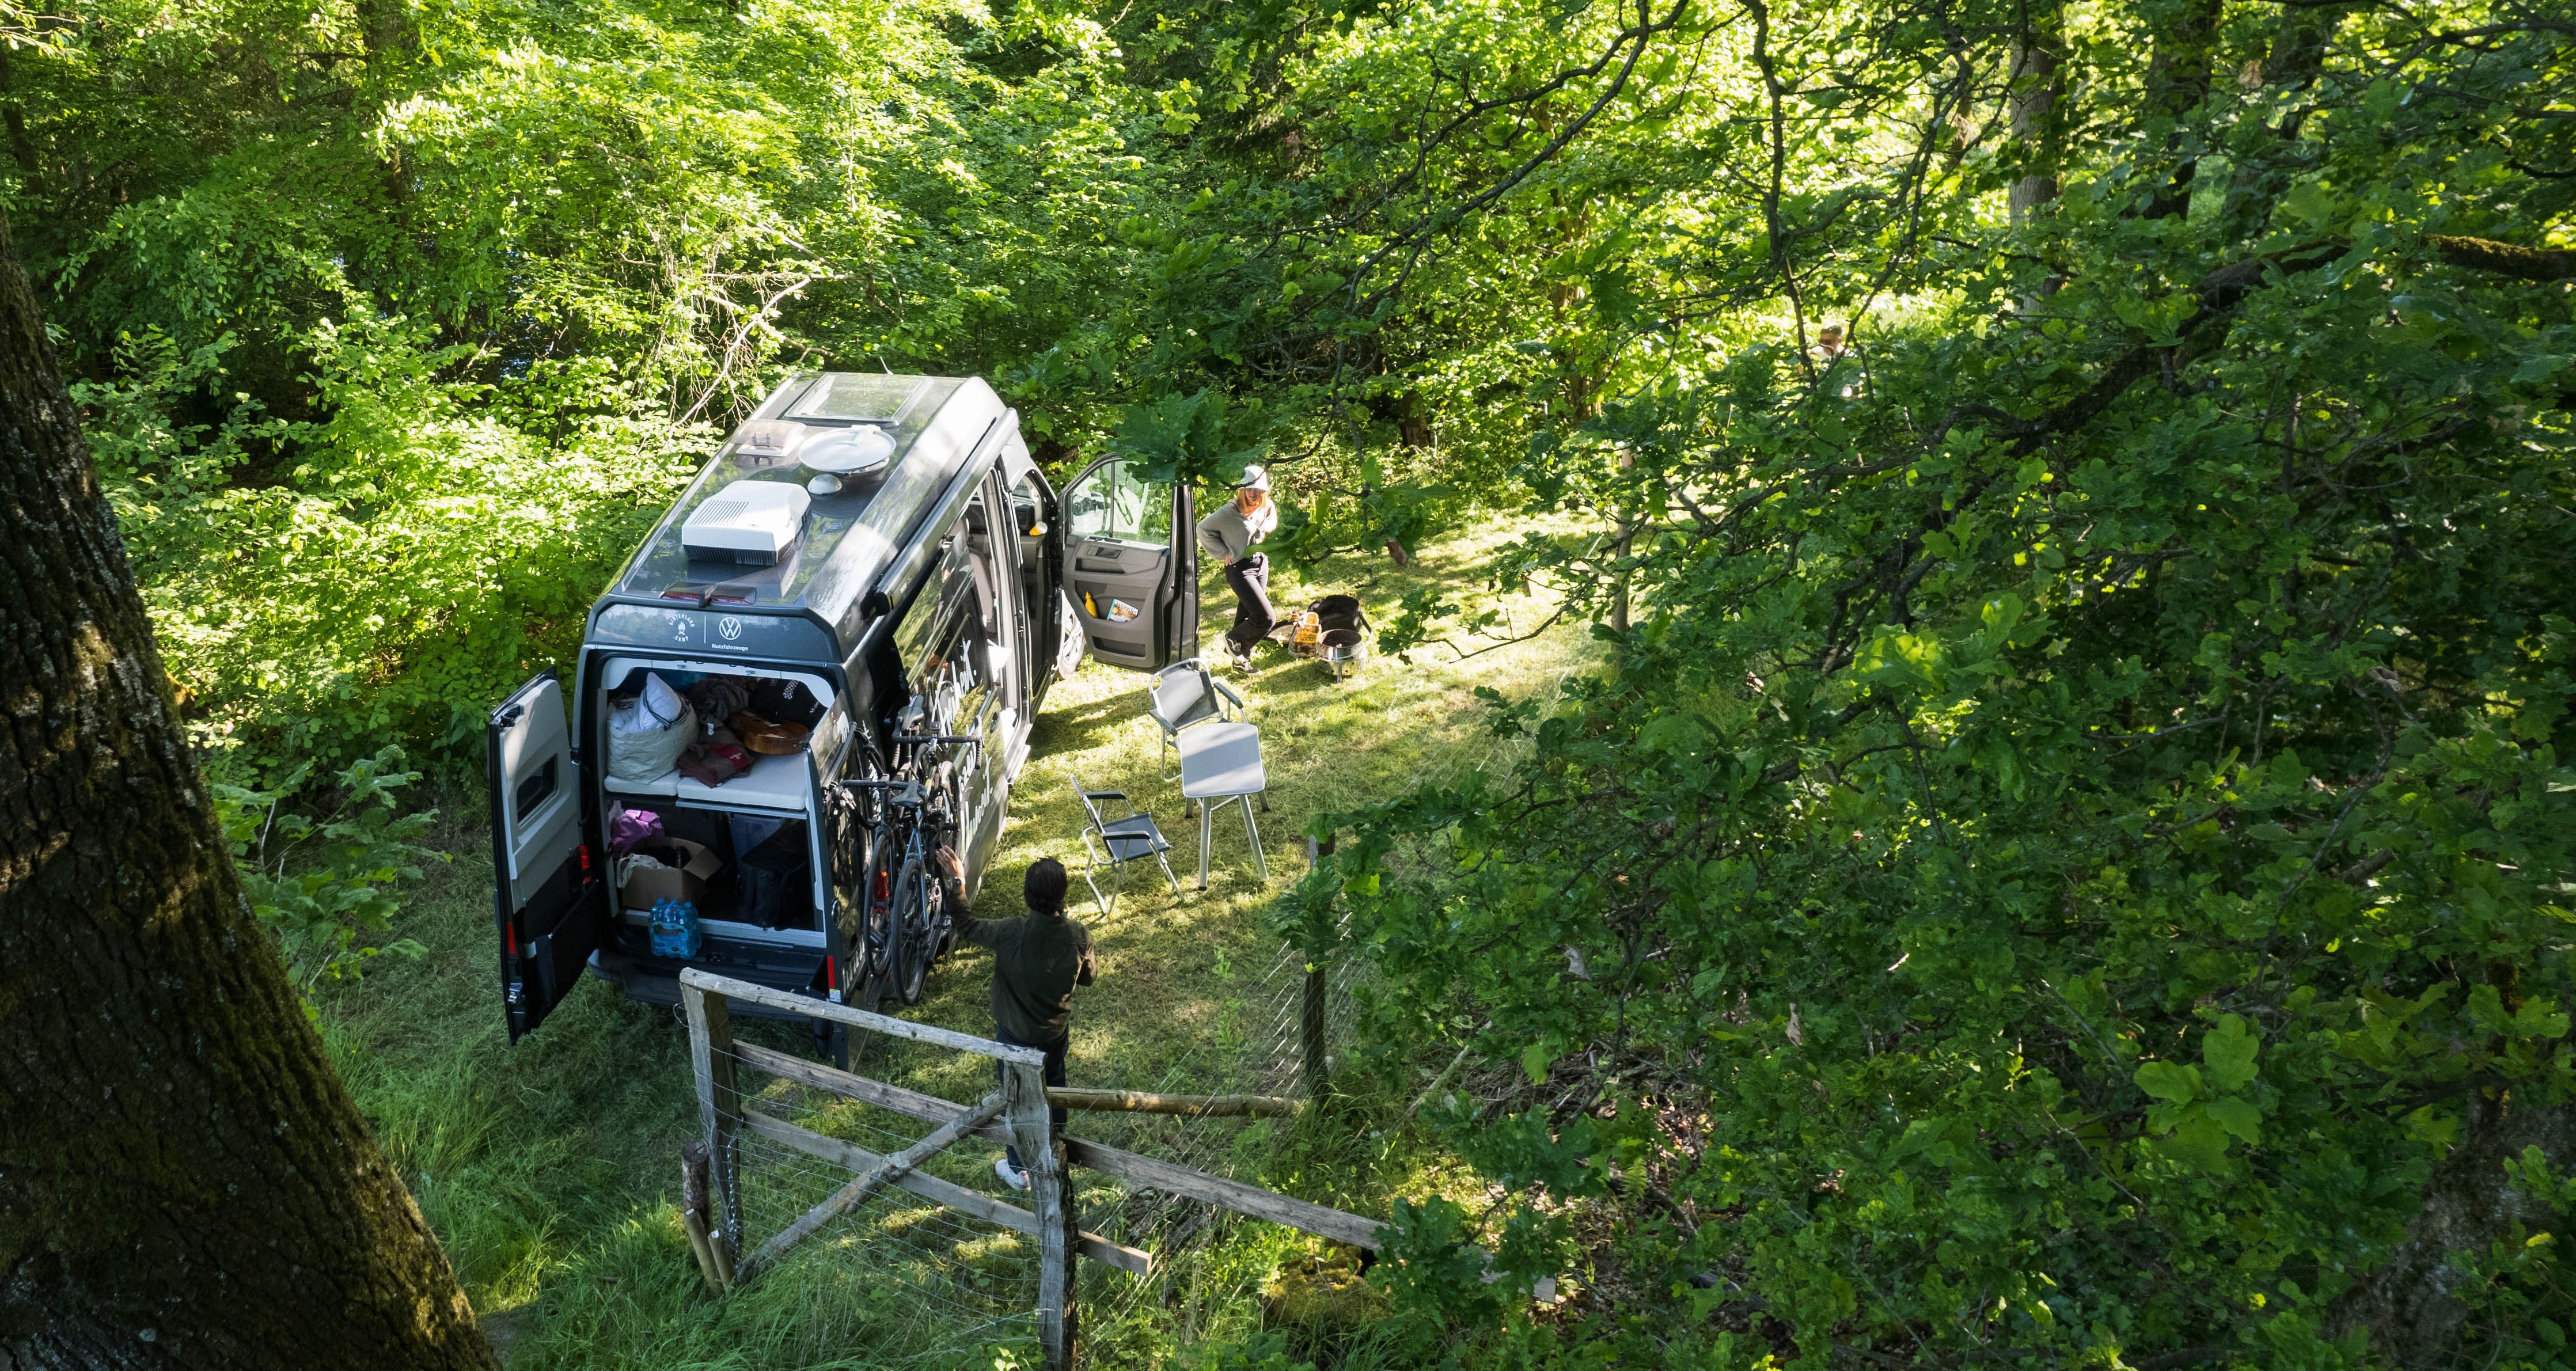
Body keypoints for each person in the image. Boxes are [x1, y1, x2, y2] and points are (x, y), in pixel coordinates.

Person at [951, 857, 1095, 1191]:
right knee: (1054, 1091)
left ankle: (1019, 1169)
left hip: (1013, 1037)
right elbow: (1089, 977)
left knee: (1016, 1101)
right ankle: (1054, 1152)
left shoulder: (1010, 932)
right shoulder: (1079, 936)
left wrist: (958, 882)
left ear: (1027, 896)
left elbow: (966, 924)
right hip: (1054, 1034)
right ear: (1062, 895)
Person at [1195, 465, 1280, 669]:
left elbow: (1272, 518)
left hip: (1261, 563)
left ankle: (1241, 661)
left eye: (1258, 489)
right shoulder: (1229, 512)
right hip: (1240, 569)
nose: (1253, 493)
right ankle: (1233, 638)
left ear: (1264, 490)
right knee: (1266, 618)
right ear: (1242, 489)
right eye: (1249, 488)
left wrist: (1266, 527)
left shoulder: (1266, 505)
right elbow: (1203, 529)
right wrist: (1223, 552)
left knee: (1248, 614)